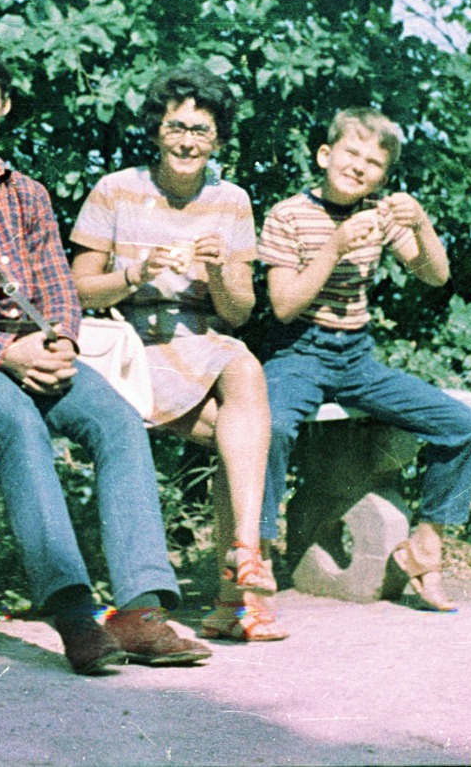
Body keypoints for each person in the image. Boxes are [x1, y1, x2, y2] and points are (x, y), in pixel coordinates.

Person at [0, 38, 211, 674]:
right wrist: (10, 354)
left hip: (35, 349)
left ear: (4, 104)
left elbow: (57, 283)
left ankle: (139, 615)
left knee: (116, 420)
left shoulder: (27, 193)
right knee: (18, 423)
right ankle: (75, 616)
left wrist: (61, 343)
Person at [70, 66, 286, 642]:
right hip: (130, 345)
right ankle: (236, 594)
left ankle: (243, 553)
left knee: (245, 367)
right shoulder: (116, 189)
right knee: (244, 440)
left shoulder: (231, 201)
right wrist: (135, 273)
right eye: (176, 127)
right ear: (157, 130)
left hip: (199, 341)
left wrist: (217, 271)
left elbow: (238, 312)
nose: (188, 142)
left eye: (201, 130)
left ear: (218, 139)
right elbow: (77, 290)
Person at [257, 107, 471, 612]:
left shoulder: (379, 213)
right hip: (297, 352)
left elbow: (436, 275)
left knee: (462, 425)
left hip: (356, 357)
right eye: (351, 153)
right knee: (268, 427)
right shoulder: (287, 214)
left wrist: (420, 223)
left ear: (382, 177)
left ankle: (424, 549)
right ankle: (257, 553)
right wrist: (335, 247)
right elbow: (284, 305)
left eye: (374, 163)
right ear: (325, 155)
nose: (359, 166)